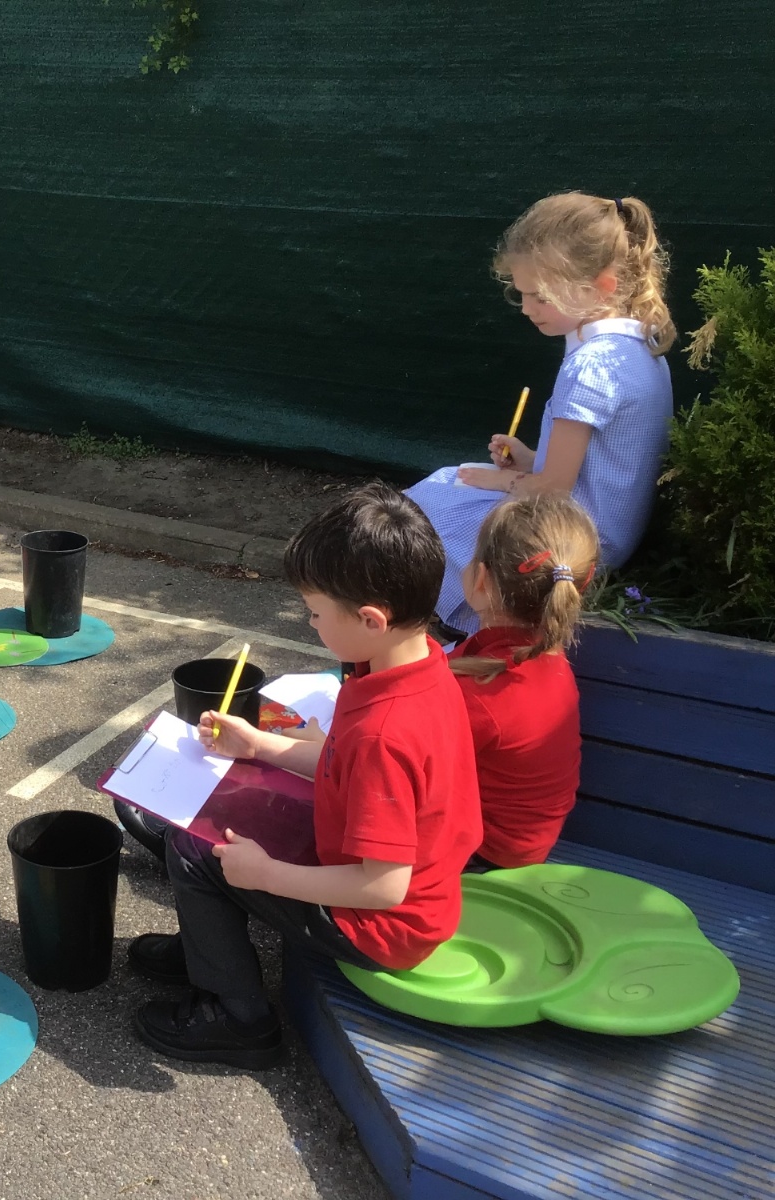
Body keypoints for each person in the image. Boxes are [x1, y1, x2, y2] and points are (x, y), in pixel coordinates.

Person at [128, 484, 482, 1069]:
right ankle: (203, 949)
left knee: (197, 850)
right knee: (215, 818)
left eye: (315, 613)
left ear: (371, 619)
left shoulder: (386, 731)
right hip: (387, 881)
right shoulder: (411, 667)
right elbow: (345, 767)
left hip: (380, 926)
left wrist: (267, 875)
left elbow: (384, 888)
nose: (309, 622)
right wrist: (259, 745)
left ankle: (238, 1018)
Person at [406, 192, 675, 635]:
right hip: (608, 530)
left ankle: (474, 623)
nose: (528, 309)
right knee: (451, 483)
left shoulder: (590, 367)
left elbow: (552, 490)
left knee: (425, 507)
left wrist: (503, 481)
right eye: (522, 295)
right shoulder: (641, 348)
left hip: (572, 540)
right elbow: (602, 464)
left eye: (541, 297)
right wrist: (530, 458)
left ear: (603, 285)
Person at [449, 494, 598, 870]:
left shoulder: (480, 692)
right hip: (518, 843)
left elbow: (392, 769)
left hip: (483, 855)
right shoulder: (545, 657)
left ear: (480, 579)